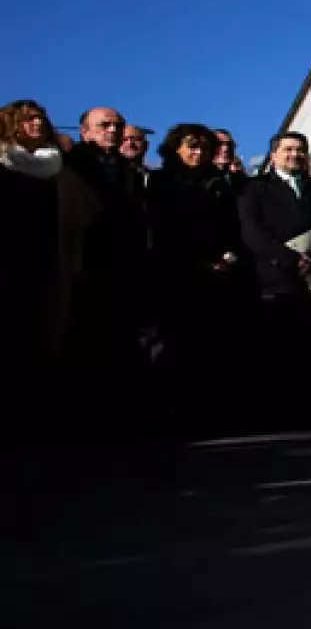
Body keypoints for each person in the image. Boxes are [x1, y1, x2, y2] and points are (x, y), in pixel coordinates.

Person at [146, 124, 247, 430]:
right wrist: (200, 262)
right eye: (191, 146)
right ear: (176, 148)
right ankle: (174, 413)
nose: (198, 153)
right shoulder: (162, 182)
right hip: (177, 274)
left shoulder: (219, 184)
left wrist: (229, 255)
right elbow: (161, 229)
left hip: (218, 274)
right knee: (176, 346)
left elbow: (232, 225)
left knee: (212, 345)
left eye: (204, 147)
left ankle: (210, 412)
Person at [238, 131, 311, 427]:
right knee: (276, 351)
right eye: (288, 150)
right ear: (273, 155)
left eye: (300, 150)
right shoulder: (254, 190)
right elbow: (252, 231)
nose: (295, 155)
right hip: (274, 279)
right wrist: (289, 259)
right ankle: (277, 414)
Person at [62, 106, 149, 408]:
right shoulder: (69, 167)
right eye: (104, 126)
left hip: (124, 266)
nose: (112, 131)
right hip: (84, 264)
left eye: (117, 125)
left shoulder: (128, 171)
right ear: (84, 132)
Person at [0, 100, 67, 402]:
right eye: (28, 119)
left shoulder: (56, 166)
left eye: (41, 118)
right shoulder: (3, 163)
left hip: (46, 259)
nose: (37, 124)